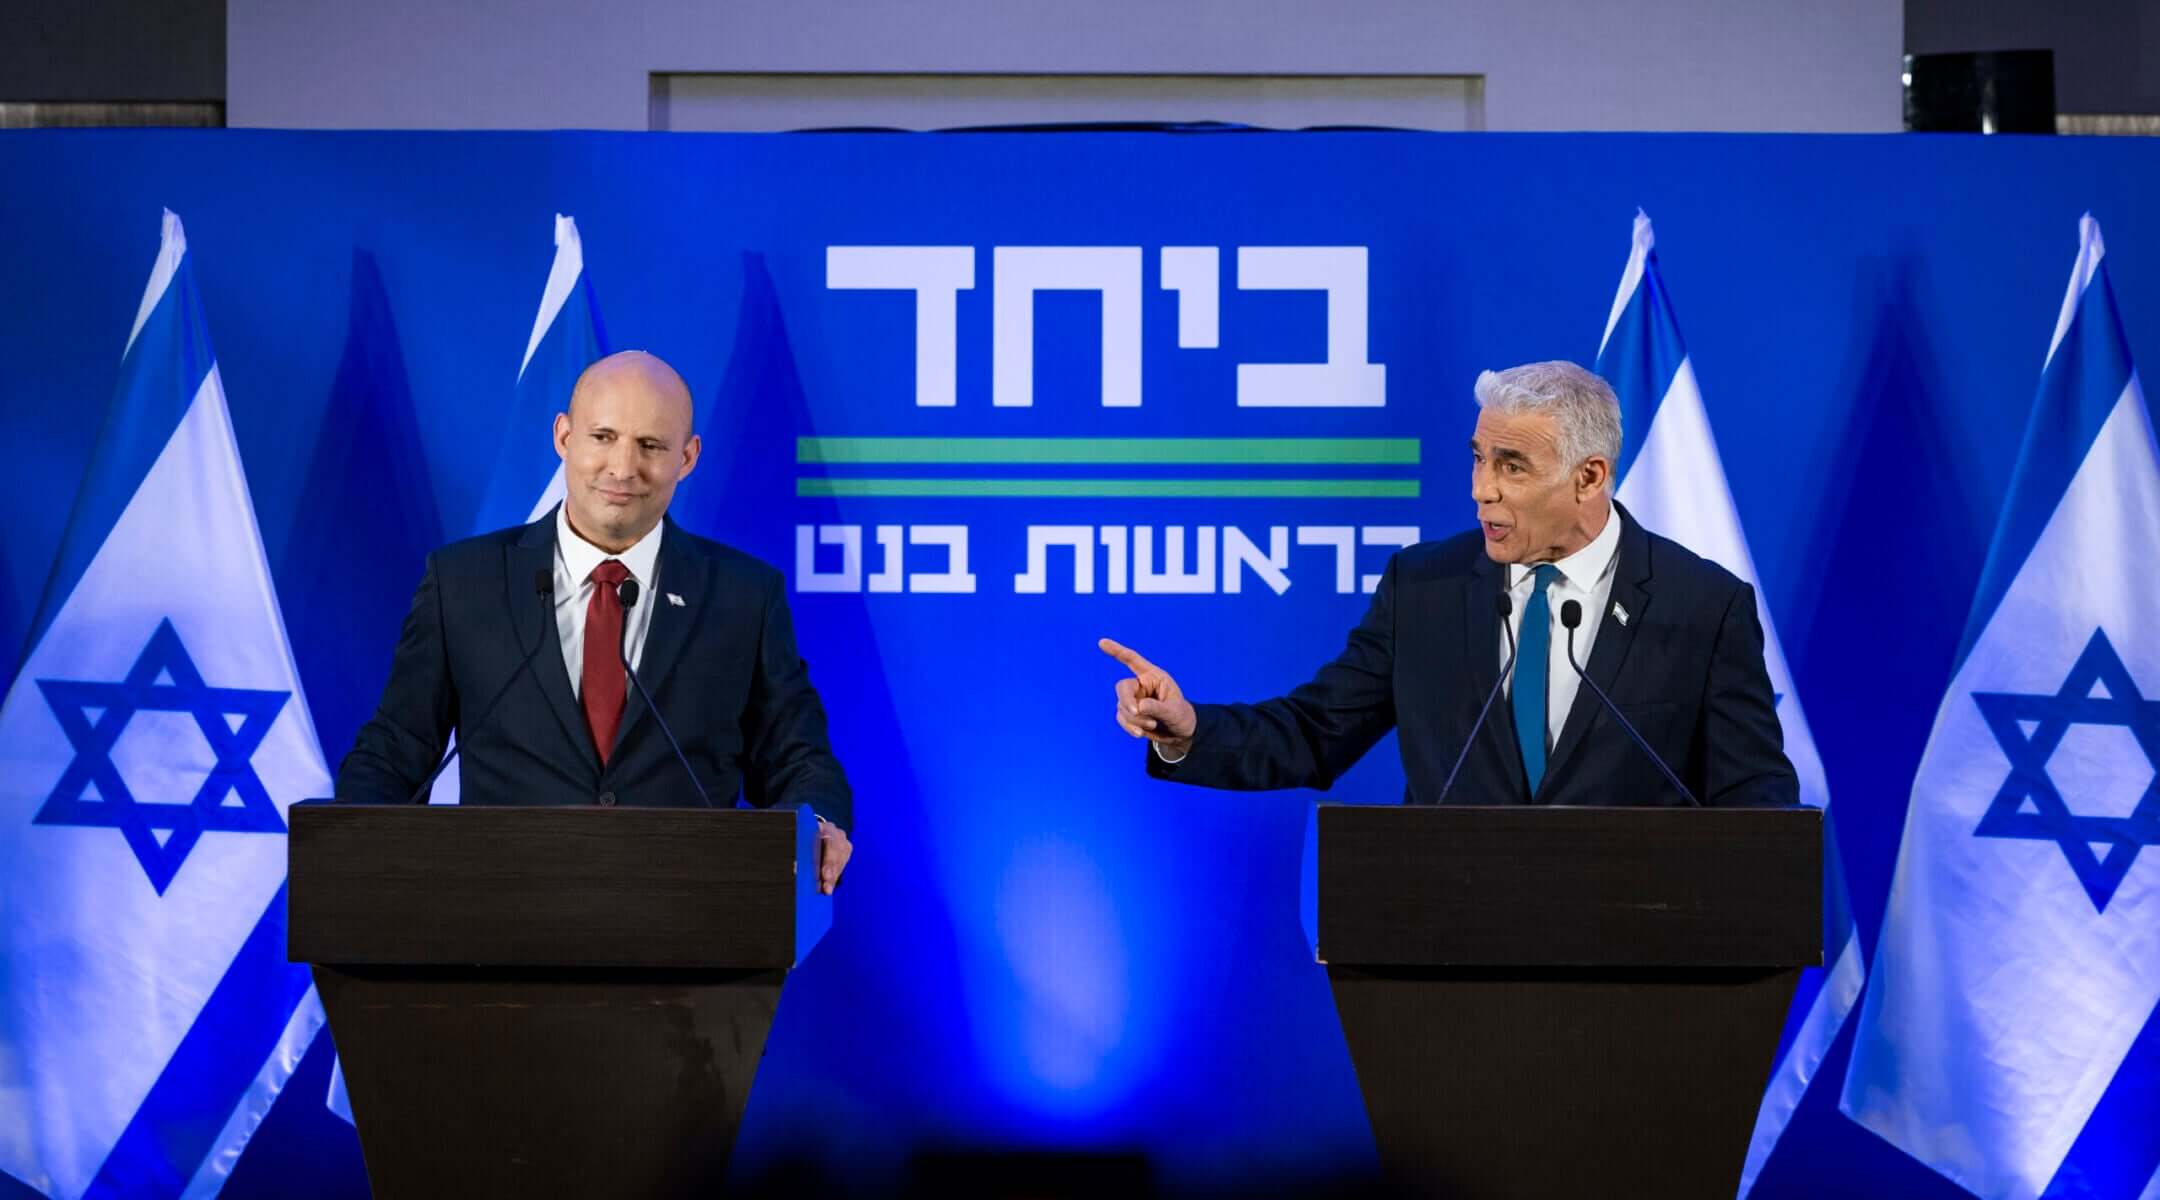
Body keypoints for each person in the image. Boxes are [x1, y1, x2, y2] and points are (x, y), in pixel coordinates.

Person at [1101, 360, 1795, 809]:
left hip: (1642, 984)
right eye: (1478, 459)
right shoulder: (1424, 589)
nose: (1481, 491)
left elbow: (1755, 800)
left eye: (1512, 467)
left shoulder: (1702, 607)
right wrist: (1189, 732)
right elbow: (1314, 733)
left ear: (1590, 477)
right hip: (1450, 969)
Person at [337, 350, 854, 891]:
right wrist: (355, 844)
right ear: (563, 437)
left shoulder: (744, 598)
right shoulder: (464, 584)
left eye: (651, 445)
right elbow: (394, 749)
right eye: (603, 437)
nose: (623, 468)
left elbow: (799, 759)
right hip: (497, 925)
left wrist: (814, 826)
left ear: (688, 457)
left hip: (687, 930)